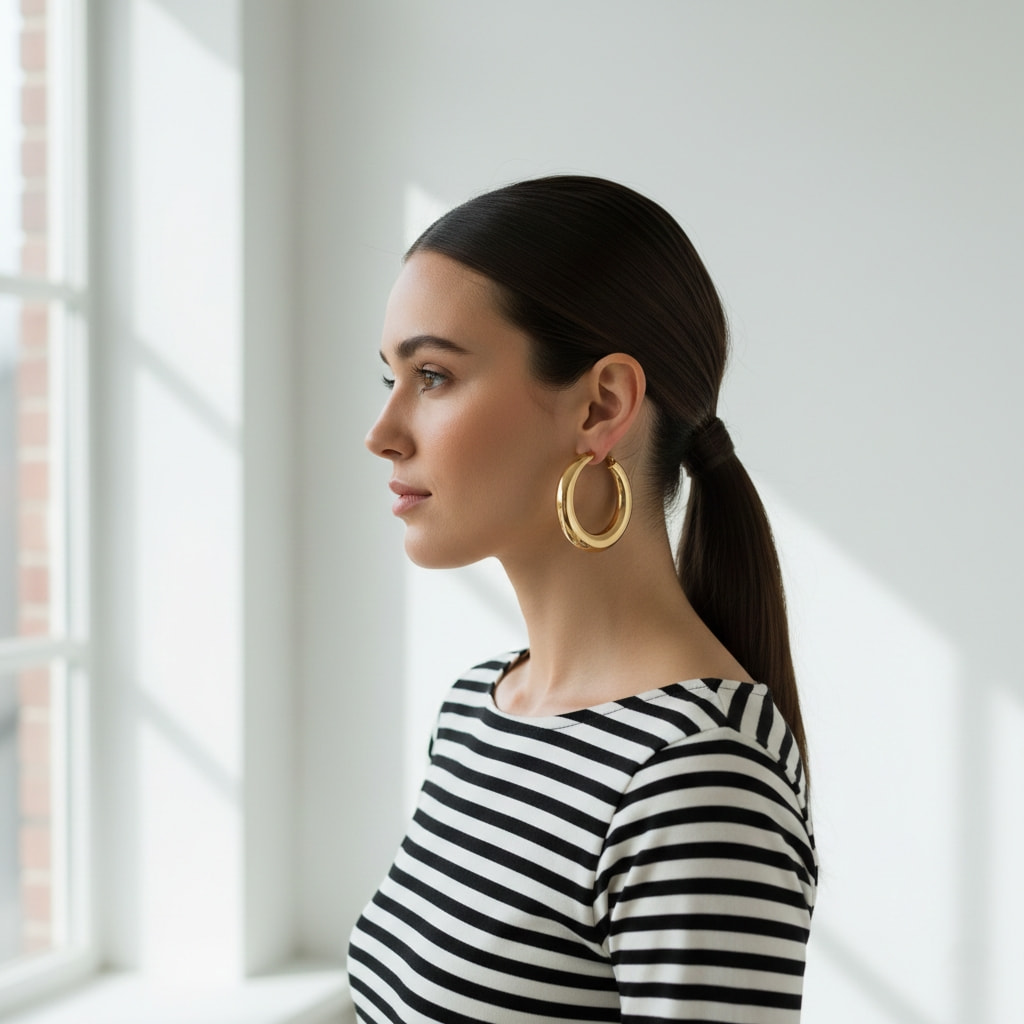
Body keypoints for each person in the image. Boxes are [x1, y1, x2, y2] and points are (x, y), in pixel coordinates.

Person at [349, 176, 817, 1023]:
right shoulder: (478, 710)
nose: (382, 432)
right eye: (387, 377)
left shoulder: (695, 778)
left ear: (602, 404)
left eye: (432, 375)